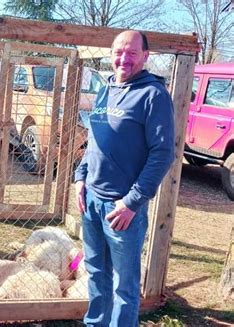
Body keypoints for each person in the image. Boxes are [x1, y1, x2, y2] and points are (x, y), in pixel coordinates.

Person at [74, 30, 175, 326]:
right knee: (95, 273)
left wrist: (132, 202)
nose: (124, 59)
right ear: (110, 53)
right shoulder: (105, 89)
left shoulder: (153, 95)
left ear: (146, 56)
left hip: (121, 210)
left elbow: (163, 153)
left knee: (124, 286)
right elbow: (94, 139)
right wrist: (80, 176)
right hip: (91, 202)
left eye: (132, 53)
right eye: (119, 52)